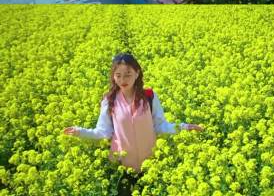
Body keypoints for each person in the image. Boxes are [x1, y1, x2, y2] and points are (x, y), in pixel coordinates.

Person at [63, 53, 202, 195]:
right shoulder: (109, 100)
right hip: (123, 166)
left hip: (151, 164)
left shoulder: (149, 96)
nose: (123, 79)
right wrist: (79, 131)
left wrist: (185, 127)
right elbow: (103, 131)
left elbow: (160, 126)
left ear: (137, 73)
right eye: (118, 75)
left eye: (128, 74)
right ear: (113, 76)